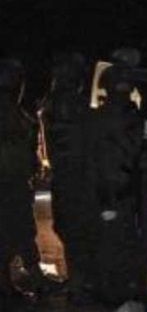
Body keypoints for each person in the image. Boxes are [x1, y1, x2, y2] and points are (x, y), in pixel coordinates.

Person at [89, 64, 146, 304]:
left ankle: (118, 288)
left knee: (120, 239)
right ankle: (112, 290)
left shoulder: (127, 116)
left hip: (121, 188)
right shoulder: (105, 118)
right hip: (112, 189)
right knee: (113, 240)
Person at [42, 53, 96, 298]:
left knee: (72, 226)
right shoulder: (68, 103)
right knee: (75, 227)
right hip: (74, 173)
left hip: (70, 172)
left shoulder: (58, 102)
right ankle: (80, 281)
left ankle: (80, 280)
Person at [0, 59, 41, 300]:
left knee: (18, 230)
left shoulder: (15, 111)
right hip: (9, 181)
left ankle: (18, 282)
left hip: (14, 179)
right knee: (16, 230)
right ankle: (17, 283)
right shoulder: (9, 111)